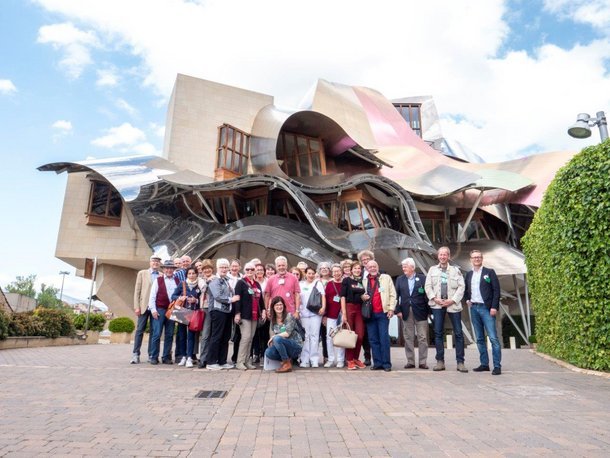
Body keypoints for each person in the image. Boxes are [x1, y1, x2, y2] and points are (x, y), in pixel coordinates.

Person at [425, 246, 468, 373]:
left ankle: (460, 362)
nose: (443, 257)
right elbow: (428, 286)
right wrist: (434, 298)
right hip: (437, 305)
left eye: (445, 255)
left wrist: (453, 300)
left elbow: (461, 287)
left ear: (449, 256)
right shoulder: (432, 270)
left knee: (458, 333)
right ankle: (440, 361)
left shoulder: (456, 270)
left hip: (453, 305)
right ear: (438, 256)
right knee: (438, 333)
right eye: (441, 255)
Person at [464, 250, 502, 375]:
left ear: (482, 258)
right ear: (471, 259)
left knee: (493, 338)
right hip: (474, 308)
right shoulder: (469, 274)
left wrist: (494, 307)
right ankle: (484, 364)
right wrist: (467, 299)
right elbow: (466, 289)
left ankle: (497, 366)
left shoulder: (489, 272)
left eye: (478, 257)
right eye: (474, 257)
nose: (476, 259)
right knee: (479, 338)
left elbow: (496, 290)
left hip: (487, 308)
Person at [361, 260, 396, 371]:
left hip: (383, 313)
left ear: (378, 267)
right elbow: (361, 294)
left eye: (374, 266)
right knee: (373, 339)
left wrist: (391, 308)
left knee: (384, 338)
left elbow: (392, 294)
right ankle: (377, 363)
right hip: (370, 314)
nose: (372, 268)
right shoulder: (364, 280)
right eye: (370, 267)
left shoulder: (386, 278)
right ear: (367, 269)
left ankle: (386, 364)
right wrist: (362, 297)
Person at [395, 258, 429, 369]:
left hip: (421, 311)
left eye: (405, 266)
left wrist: (428, 311)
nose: (403, 268)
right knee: (408, 337)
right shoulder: (400, 279)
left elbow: (427, 295)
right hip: (405, 311)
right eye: (403, 266)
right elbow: (395, 296)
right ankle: (411, 361)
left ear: (412, 267)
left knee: (422, 337)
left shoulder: (423, 278)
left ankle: (423, 361)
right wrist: (398, 310)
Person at [206, 258, 240, 370]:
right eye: (222, 267)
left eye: (226, 267)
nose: (224, 269)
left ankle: (222, 360)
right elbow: (217, 296)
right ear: (217, 268)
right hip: (217, 311)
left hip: (226, 312)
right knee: (216, 336)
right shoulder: (214, 281)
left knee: (225, 336)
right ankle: (211, 362)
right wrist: (231, 299)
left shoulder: (226, 280)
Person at [233, 262, 266, 370]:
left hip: (255, 315)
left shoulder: (257, 284)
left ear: (255, 270)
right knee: (245, 337)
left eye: (252, 269)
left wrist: (264, 310)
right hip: (244, 315)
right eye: (247, 269)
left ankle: (247, 361)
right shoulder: (240, 283)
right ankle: (240, 362)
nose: (250, 271)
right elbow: (237, 299)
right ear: (244, 270)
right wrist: (237, 313)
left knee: (250, 338)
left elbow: (260, 300)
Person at [171, 267, 204, 368]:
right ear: (187, 275)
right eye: (189, 273)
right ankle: (183, 356)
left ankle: (190, 357)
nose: (191, 275)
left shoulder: (200, 285)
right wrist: (180, 298)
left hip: (194, 312)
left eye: (193, 273)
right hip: (182, 312)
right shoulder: (182, 284)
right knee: (182, 335)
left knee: (191, 336)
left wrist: (196, 301)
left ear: (196, 274)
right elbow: (173, 296)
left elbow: (202, 299)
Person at [148, 260, 180, 365]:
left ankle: (166, 357)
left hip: (172, 310)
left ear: (174, 270)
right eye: (167, 268)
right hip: (160, 309)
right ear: (164, 269)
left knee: (170, 334)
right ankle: (154, 356)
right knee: (156, 334)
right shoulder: (158, 280)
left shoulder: (177, 280)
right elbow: (152, 296)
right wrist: (153, 310)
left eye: (171, 268)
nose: (169, 270)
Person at [130, 254, 161, 364]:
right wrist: (136, 306)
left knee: (154, 332)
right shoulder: (142, 273)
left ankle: (151, 354)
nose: (155, 263)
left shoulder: (161, 275)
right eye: (153, 261)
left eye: (157, 261)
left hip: (155, 308)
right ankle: (135, 354)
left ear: (159, 263)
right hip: (143, 306)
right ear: (150, 262)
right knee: (139, 331)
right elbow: (137, 291)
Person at [265, 296, 303, 373]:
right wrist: (272, 341)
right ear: (273, 307)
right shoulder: (273, 320)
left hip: (295, 346)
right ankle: (288, 360)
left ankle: (286, 364)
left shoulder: (289, 316)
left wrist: (274, 337)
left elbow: (287, 333)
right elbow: (272, 333)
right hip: (282, 346)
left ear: (284, 306)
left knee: (277, 338)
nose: (279, 307)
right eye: (277, 305)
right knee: (268, 352)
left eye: (281, 305)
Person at [340, 262, 367, 370]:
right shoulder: (346, 280)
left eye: (359, 268)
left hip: (359, 309)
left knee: (360, 335)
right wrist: (344, 314)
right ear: (351, 270)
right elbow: (342, 297)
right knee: (349, 335)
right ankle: (350, 360)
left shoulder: (361, 282)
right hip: (349, 307)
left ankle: (356, 358)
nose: (357, 270)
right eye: (355, 268)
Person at [298, 266, 326, 367]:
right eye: (309, 273)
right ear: (305, 274)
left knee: (314, 336)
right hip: (304, 313)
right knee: (306, 336)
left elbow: (323, 296)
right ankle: (304, 359)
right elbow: (298, 297)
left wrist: (323, 307)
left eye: (312, 273)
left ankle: (314, 359)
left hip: (315, 313)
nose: (311, 275)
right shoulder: (300, 284)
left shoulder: (318, 283)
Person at [323, 264, 345, 368]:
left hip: (342, 314)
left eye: (338, 271)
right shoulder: (329, 284)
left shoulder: (346, 283)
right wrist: (325, 316)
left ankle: (340, 359)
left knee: (341, 337)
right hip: (331, 315)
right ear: (332, 273)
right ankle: (331, 359)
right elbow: (326, 300)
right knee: (329, 337)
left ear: (342, 271)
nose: (337, 273)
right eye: (334, 271)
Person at [357, 250, 375, 365]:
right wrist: (361, 296)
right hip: (363, 307)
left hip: (376, 306)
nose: (365, 261)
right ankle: (367, 356)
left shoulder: (379, 272)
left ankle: (378, 357)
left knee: (375, 333)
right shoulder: (359, 274)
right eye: (363, 260)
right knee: (364, 334)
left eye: (367, 259)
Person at [197, 259, 216, 368]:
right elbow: (204, 289)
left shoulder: (216, 279)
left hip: (215, 308)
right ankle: (203, 358)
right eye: (204, 269)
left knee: (213, 335)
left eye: (209, 268)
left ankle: (211, 357)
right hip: (204, 308)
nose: (207, 270)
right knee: (205, 335)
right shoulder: (200, 280)